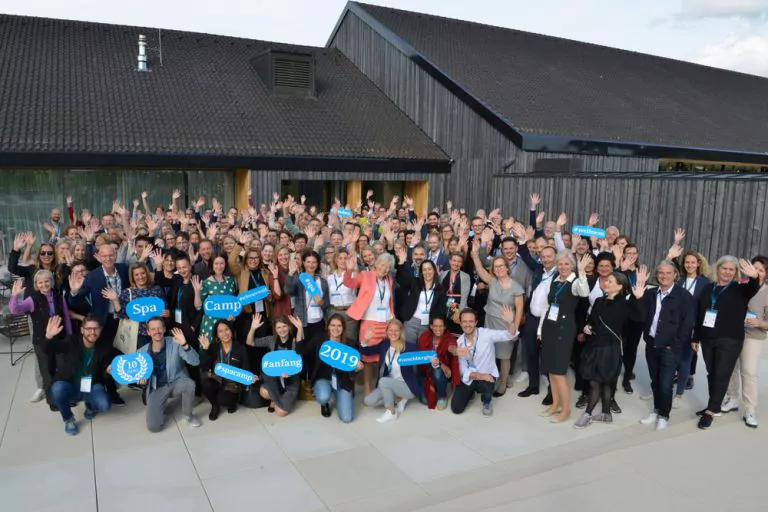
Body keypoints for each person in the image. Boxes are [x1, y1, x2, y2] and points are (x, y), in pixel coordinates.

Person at [693, 256, 760, 430]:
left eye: (731, 270)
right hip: (708, 338)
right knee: (712, 372)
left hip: (730, 339)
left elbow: (753, 288)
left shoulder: (740, 289)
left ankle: (710, 411)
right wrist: (696, 337)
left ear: (735, 273)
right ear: (718, 269)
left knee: (721, 374)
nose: (728, 272)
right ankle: (714, 404)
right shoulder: (708, 289)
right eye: (725, 268)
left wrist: (755, 277)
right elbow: (700, 314)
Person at [574, 271, 644, 429]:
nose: (606, 283)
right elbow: (592, 320)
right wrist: (587, 327)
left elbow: (639, 318)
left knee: (598, 381)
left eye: (611, 281)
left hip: (610, 347)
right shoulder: (599, 301)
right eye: (606, 281)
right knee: (601, 380)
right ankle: (606, 413)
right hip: (595, 344)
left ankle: (587, 414)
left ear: (620, 286)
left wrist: (639, 298)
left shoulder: (625, 304)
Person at [634, 261, 694, 431]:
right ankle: (656, 409)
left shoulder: (684, 296)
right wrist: (638, 298)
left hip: (670, 348)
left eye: (668, 273)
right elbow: (638, 316)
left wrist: (674, 345)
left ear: (675, 275)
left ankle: (664, 416)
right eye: (661, 273)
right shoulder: (651, 293)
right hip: (652, 344)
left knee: (666, 383)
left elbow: (687, 324)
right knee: (655, 381)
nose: (664, 276)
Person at [537, 251, 590, 423]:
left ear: (572, 265)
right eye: (560, 264)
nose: (563, 267)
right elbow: (547, 306)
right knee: (551, 370)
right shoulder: (555, 280)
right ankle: (555, 403)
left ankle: (565, 409)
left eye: (567, 264)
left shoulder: (575, 282)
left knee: (559, 372)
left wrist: (582, 273)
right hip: (550, 327)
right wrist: (540, 329)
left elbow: (584, 292)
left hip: (564, 329)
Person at [9, 272, 72, 410]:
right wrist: (14, 296)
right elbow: (15, 310)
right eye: (40, 282)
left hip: (60, 339)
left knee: (62, 369)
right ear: (36, 285)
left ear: (51, 281)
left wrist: (69, 335)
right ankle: (53, 401)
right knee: (47, 372)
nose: (44, 285)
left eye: (47, 281)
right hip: (42, 341)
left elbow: (66, 316)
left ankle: (62, 396)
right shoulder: (33, 299)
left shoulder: (58, 296)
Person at [471, 241, 524, 395]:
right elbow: (480, 270)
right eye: (496, 266)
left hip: (506, 324)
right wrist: (475, 255)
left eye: (502, 265)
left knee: (504, 355)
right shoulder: (492, 281)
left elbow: (519, 309)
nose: (499, 268)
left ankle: (503, 382)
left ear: (507, 268)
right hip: (490, 321)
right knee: (490, 352)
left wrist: (515, 328)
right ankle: (492, 378)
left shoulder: (516, 287)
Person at [49, 316, 118, 435]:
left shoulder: (105, 346)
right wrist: (48, 337)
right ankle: (68, 419)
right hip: (71, 385)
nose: (92, 332)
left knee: (104, 405)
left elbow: (105, 370)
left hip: (91, 386)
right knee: (57, 389)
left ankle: (90, 406)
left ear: (100, 330)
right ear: (82, 330)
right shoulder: (72, 341)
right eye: (89, 328)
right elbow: (50, 349)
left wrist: (108, 371)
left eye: (96, 329)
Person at [724, 255, 768, 428]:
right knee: (730, 368)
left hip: (753, 336)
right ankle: (732, 398)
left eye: (761, 270)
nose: (756, 272)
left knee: (748, 372)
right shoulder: (740, 287)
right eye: (754, 268)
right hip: (733, 334)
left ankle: (749, 409)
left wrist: (760, 323)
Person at [344, 251, 396, 396]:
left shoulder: (389, 280)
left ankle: (381, 386)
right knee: (367, 358)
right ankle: (367, 387)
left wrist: (392, 318)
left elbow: (388, 302)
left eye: (388, 267)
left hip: (385, 323)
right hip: (369, 323)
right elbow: (349, 283)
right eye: (383, 265)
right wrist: (349, 270)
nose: (385, 269)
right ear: (377, 263)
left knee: (382, 357)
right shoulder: (365, 275)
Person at [452, 305, 519, 416]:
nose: (467, 324)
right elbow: (462, 369)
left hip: (486, 375)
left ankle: (487, 401)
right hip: (471, 376)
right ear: (460, 323)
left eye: (471, 321)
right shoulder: (459, 342)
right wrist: (479, 376)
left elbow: (510, 335)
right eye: (464, 321)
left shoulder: (486, 334)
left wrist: (511, 322)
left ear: (476, 322)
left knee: (488, 383)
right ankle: (471, 392)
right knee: (456, 408)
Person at [138, 318, 202, 432]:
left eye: (159, 328)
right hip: (156, 387)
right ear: (148, 332)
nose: (157, 331)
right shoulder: (141, 353)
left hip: (176, 381)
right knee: (154, 427)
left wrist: (185, 345)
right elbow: (136, 375)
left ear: (164, 329)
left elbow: (196, 361)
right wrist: (141, 382)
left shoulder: (175, 342)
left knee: (190, 384)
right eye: (153, 329)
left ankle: (188, 415)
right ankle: (160, 404)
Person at [363, 319, 423, 423]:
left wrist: (433, 360)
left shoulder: (409, 347)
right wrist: (365, 341)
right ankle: (397, 398)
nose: (393, 333)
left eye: (396, 330)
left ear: (401, 332)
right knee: (368, 401)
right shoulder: (384, 345)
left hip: (407, 386)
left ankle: (391, 412)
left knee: (383, 381)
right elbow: (367, 352)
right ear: (386, 332)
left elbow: (422, 358)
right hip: (390, 383)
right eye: (390, 330)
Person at [307, 314, 364, 422]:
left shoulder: (350, 344)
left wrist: (357, 369)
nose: (335, 329)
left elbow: (353, 371)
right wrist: (300, 331)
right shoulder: (319, 340)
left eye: (339, 326)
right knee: (323, 396)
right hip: (323, 379)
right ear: (328, 326)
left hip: (342, 382)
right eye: (333, 325)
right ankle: (325, 403)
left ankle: (339, 396)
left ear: (343, 328)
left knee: (347, 418)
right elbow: (304, 352)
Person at [672, 249, 711, 400]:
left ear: (698, 264)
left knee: (686, 358)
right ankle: (671, 381)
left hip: (692, 325)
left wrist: (700, 330)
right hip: (675, 325)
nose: (689, 265)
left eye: (693, 262)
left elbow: (705, 306)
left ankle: (680, 392)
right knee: (673, 356)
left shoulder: (704, 282)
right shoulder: (679, 280)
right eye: (687, 262)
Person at [247, 313, 304, 416]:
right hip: (275, 380)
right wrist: (252, 328)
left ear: (289, 327)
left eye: (284, 326)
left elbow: (300, 351)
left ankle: (278, 400)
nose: (282, 330)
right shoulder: (271, 340)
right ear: (275, 329)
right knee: (263, 392)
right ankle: (277, 399)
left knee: (280, 412)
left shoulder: (295, 341)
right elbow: (250, 342)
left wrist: (300, 329)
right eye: (279, 327)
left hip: (291, 382)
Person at [199, 320, 253, 421]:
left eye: (227, 329)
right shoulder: (214, 347)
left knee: (223, 399)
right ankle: (215, 406)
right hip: (217, 380)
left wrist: (250, 379)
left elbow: (246, 369)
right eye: (220, 331)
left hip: (232, 385)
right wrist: (206, 350)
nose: (225, 333)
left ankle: (232, 403)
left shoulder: (240, 348)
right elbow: (204, 366)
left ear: (231, 331)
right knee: (206, 384)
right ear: (217, 335)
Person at [395, 246, 447, 343]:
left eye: (429, 269)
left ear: (434, 271)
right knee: (409, 349)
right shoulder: (415, 283)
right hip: (411, 321)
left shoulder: (440, 289)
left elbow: (441, 309)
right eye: (424, 270)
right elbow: (402, 279)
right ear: (421, 272)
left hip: (427, 324)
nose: (427, 272)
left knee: (423, 350)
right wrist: (401, 262)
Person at [114, 263, 167, 349]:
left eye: (143, 273)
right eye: (136, 274)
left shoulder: (157, 290)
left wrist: (167, 313)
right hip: (137, 337)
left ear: (147, 273)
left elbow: (165, 309)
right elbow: (120, 314)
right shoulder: (127, 293)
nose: (140, 277)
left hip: (157, 333)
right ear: (133, 277)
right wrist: (115, 300)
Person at [417, 316, 458, 410]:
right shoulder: (424, 336)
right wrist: (440, 363)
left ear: (444, 327)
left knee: (437, 371)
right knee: (425, 401)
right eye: (435, 326)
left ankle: (442, 396)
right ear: (431, 326)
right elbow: (421, 357)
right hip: (426, 370)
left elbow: (451, 346)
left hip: (443, 372)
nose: (438, 329)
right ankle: (434, 386)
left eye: (441, 326)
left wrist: (455, 350)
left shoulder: (449, 337)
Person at [199, 255, 238, 341]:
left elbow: (233, 302)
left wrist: (233, 315)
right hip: (210, 323)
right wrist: (196, 291)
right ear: (211, 265)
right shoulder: (206, 283)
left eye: (222, 263)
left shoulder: (231, 281)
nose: (219, 266)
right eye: (216, 263)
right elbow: (198, 306)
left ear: (225, 264)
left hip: (227, 324)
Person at [326, 248, 359, 343]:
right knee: (334, 341)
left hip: (349, 313)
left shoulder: (353, 275)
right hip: (334, 311)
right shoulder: (330, 277)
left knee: (350, 341)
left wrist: (354, 267)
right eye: (340, 258)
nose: (343, 261)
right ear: (336, 260)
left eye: (345, 258)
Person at [440, 252, 471, 335]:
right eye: (454, 260)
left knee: (456, 334)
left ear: (461, 263)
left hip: (458, 307)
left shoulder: (465, 276)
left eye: (459, 261)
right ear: (450, 261)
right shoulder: (443, 274)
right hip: (444, 308)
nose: (456, 263)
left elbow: (464, 297)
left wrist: (459, 312)